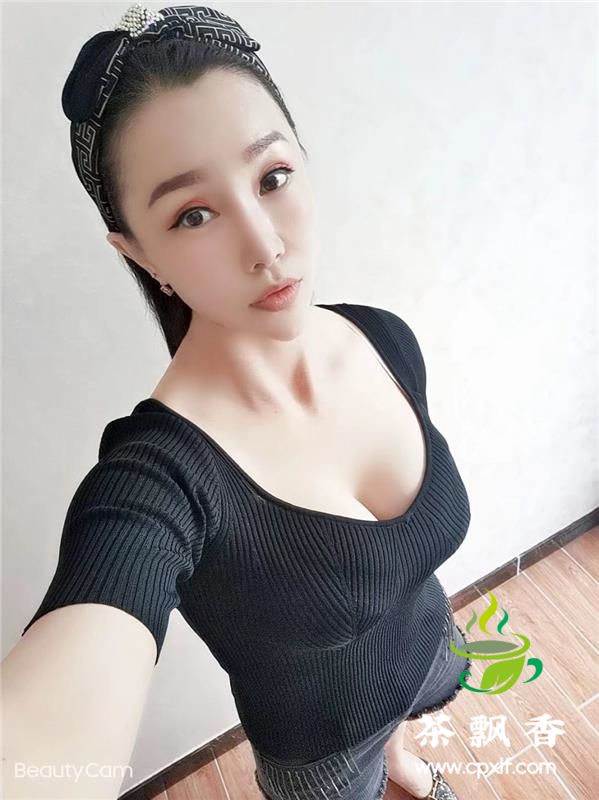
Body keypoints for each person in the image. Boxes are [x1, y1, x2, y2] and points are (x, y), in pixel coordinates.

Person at [2, 5, 473, 799]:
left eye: (272, 177)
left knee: (399, 740)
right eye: (193, 214)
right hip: (320, 751)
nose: (265, 245)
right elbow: (47, 734)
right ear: (138, 253)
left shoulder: (382, 337)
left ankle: (400, 762)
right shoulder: (160, 480)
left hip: (425, 650)